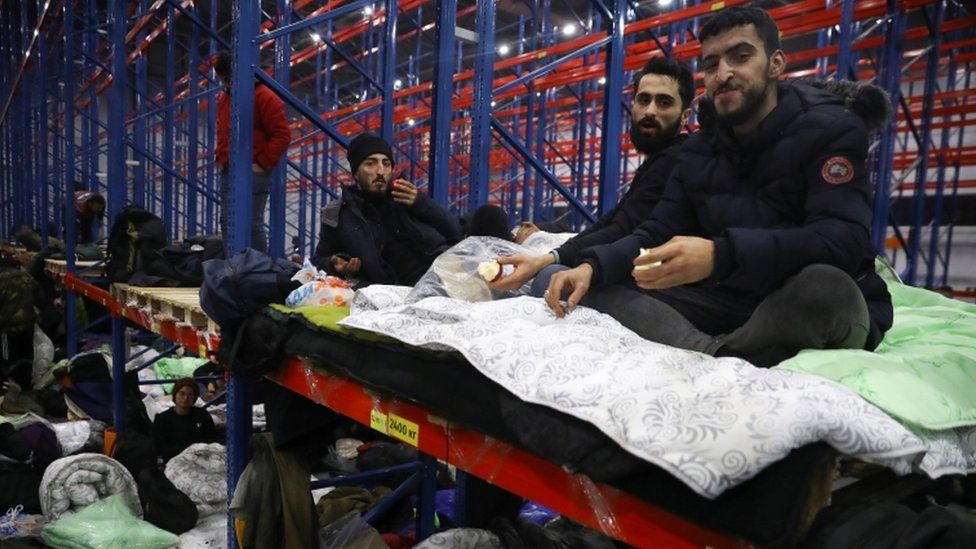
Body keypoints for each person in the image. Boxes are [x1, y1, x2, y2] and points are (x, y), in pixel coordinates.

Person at [543, 7, 893, 367]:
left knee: (825, 290)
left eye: (740, 57)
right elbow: (655, 229)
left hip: (791, 296)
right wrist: (592, 267)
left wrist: (719, 255)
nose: (723, 74)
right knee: (598, 288)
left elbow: (841, 240)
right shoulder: (698, 150)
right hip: (729, 300)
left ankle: (714, 348)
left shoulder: (832, 130)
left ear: (775, 64)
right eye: (711, 64)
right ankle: (720, 355)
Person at [490, 56, 694, 294]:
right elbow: (615, 220)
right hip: (640, 267)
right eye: (644, 100)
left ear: (685, 116)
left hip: (673, 288)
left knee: (550, 278)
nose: (650, 111)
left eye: (664, 103)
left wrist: (551, 260)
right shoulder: (659, 161)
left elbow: (625, 229)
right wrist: (555, 255)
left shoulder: (675, 161)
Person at [311, 133, 462, 286]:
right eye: (370, 164)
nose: (380, 171)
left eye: (386, 164)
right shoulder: (338, 214)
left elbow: (456, 232)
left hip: (440, 277)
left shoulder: (409, 198)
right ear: (356, 173)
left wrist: (422, 203)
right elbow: (319, 260)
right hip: (390, 291)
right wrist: (334, 263)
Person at [214, 51, 292, 254]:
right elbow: (223, 129)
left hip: (253, 172)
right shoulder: (225, 97)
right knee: (227, 221)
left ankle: (259, 272)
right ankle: (233, 268)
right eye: (223, 80)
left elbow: (282, 135)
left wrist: (262, 164)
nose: (227, 84)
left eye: (229, 79)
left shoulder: (265, 97)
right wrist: (221, 157)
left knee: (251, 223)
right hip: (228, 170)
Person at [152, 377, 216, 462]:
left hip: (202, 460)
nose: (185, 398)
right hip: (175, 462)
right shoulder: (162, 419)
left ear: (194, 398)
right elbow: (163, 449)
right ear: (175, 395)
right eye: (182, 394)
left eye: (190, 395)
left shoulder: (202, 415)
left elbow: (211, 440)